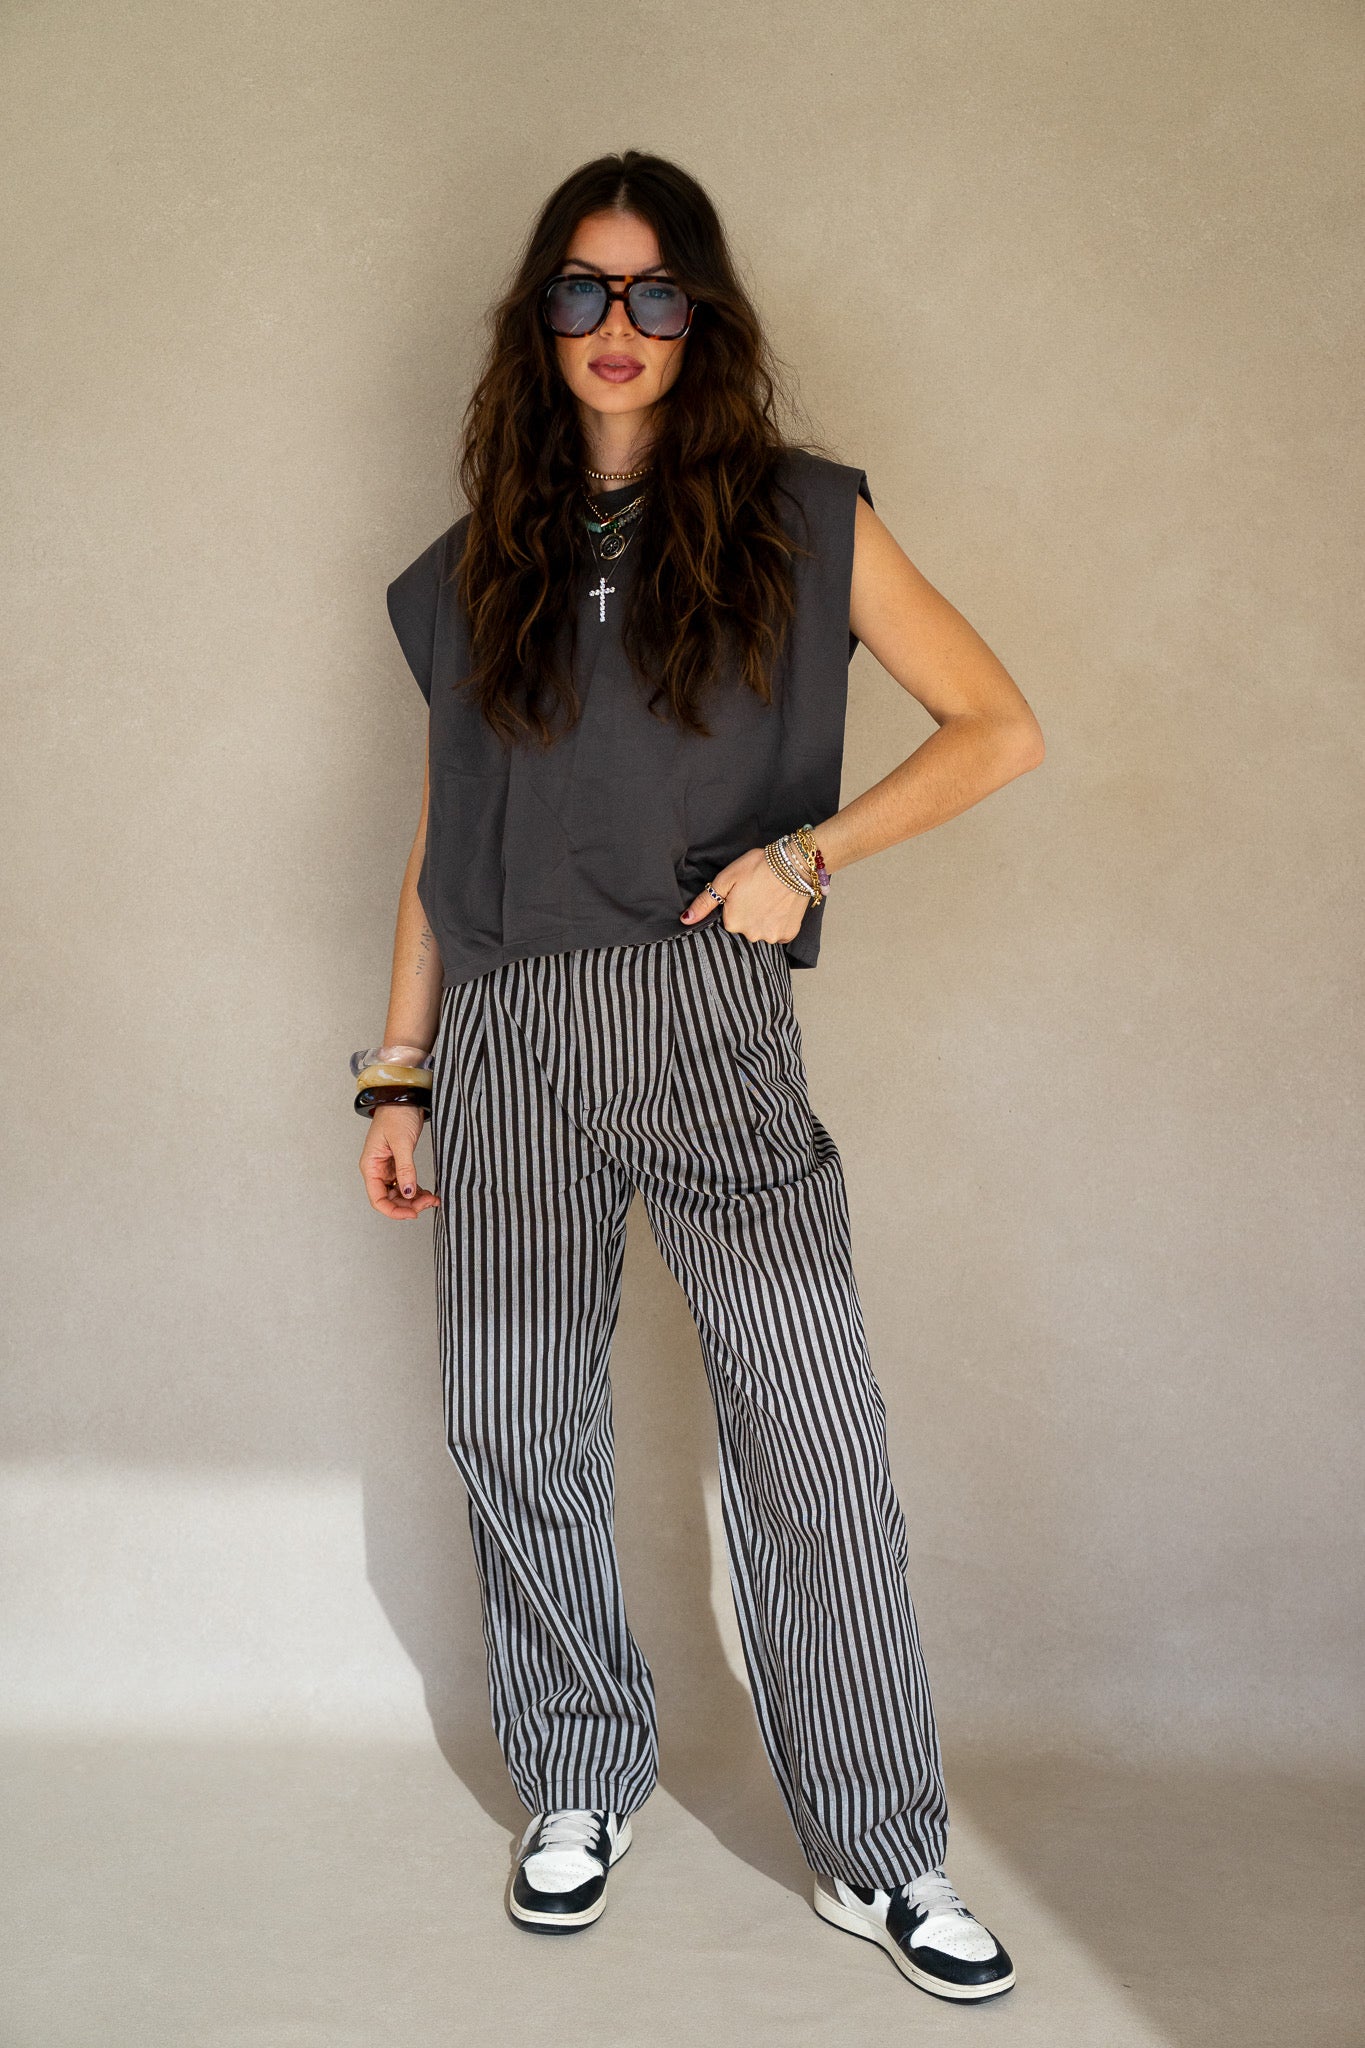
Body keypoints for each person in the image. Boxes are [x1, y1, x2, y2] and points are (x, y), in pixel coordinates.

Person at [355, 150, 1043, 2004]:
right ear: (538, 320)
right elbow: (437, 839)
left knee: (808, 1431)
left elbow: (996, 727)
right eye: (581, 291)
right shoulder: (468, 572)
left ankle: (881, 1849)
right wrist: (397, 1071)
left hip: (703, 1012)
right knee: (514, 1420)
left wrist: (807, 855)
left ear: (700, 319)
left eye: (654, 293)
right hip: (505, 1033)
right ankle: (579, 1775)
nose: (617, 326)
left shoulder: (801, 521)